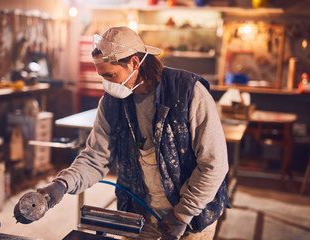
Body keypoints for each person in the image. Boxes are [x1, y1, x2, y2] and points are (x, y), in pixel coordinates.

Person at [34, 26, 229, 240]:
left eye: (110, 75)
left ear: (134, 63)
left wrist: (182, 215)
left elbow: (214, 164)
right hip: (138, 214)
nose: (106, 84)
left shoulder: (188, 92)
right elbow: (95, 158)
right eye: (102, 76)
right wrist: (62, 184)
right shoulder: (112, 102)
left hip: (191, 217)